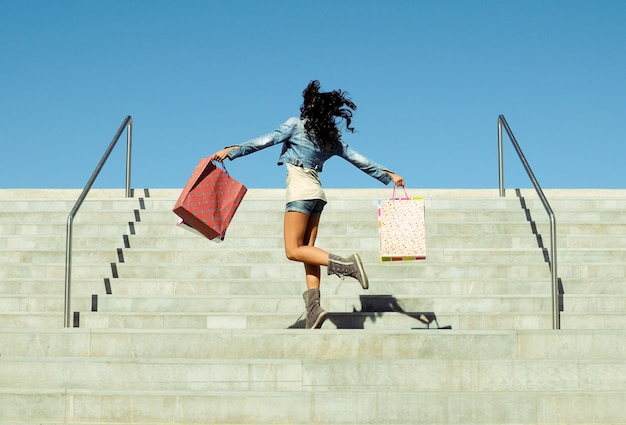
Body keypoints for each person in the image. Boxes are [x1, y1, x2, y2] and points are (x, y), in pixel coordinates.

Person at [209, 80, 404, 329]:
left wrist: (232, 151)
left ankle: (346, 265)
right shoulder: (330, 139)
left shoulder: (295, 125)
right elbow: (359, 160)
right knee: (308, 253)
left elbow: (264, 141)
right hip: (317, 195)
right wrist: (389, 175)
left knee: (293, 250)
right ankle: (314, 310)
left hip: (300, 191)